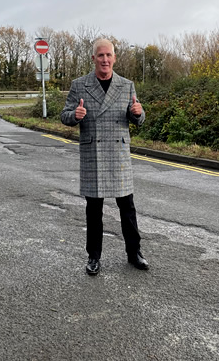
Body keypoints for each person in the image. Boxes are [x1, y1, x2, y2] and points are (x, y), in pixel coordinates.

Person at [61, 38, 149, 276]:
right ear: (93, 59)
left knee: (127, 208)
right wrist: (75, 115)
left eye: (108, 55)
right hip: (94, 153)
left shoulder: (126, 85)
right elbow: (65, 115)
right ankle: (94, 257)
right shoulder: (79, 85)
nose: (105, 60)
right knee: (94, 209)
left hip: (118, 153)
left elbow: (137, 116)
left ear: (115, 57)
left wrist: (138, 114)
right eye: (100, 55)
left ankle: (134, 253)